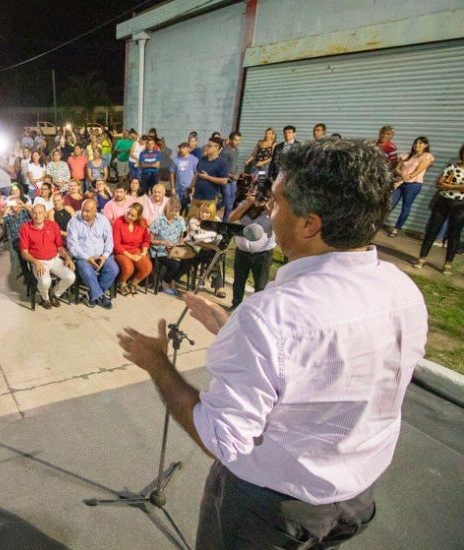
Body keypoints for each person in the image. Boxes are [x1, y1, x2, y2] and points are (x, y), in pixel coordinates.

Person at [118, 138, 427, 549]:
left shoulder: (271, 316)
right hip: (356, 497)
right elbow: (332, 367)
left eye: (278, 203)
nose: (269, 210)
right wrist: (234, 333)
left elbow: (220, 438)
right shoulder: (403, 290)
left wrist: (157, 363)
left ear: (309, 225)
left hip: (272, 510)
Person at [414, 143, 464, 275]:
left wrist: (450, 186)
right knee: (432, 230)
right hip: (443, 201)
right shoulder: (452, 166)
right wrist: (444, 184)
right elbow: (439, 182)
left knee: (454, 234)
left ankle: (448, 263)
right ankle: (421, 258)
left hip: (460, 205)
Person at [19, 204, 76, 309]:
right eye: (35, 213)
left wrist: (67, 257)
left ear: (45, 214)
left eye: (40, 213)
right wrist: (35, 262)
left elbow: (59, 247)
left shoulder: (53, 225)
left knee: (70, 277)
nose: (37, 216)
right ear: (31, 214)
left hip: (54, 259)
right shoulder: (25, 228)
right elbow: (24, 252)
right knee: (46, 282)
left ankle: (54, 294)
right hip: (38, 261)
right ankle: (45, 298)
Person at [66, 199, 118, 309]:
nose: (84, 213)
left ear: (95, 210)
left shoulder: (103, 220)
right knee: (87, 271)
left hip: (101, 255)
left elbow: (109, 241)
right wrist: (87, 257)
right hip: (83, 256)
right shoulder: (74, 221)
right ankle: (100, 296)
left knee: (113, 269)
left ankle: (92, 294)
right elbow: (72, 245)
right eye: (83, 210)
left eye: (87, 211)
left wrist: (104, 257)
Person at [228, 192, 277, 308]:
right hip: (242, 251)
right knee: (239, 281)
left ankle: (257, 309)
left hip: (263, 253)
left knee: (260, 285)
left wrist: (266, 206)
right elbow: (232, 218)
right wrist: (248, 203)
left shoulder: (273, 209)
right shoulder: (244, 205)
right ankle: (235, 305)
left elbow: (278, 223)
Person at [389, 136, 435, 237]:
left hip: (413, 184)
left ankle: (396, 228)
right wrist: (402, 175)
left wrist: (408, 177)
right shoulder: (407, 155)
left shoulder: (427, 156)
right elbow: (397, 168)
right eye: (416, 143)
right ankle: (378, 223)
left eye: (420, 143)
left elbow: (419, 170)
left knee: (406, 207)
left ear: (426, 145)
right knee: (390, 203)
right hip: (399, 182)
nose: (417, 145)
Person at [150, 196, 188, 295]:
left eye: (176, 211)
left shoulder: (179, 221)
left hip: (175, 250)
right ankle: (165, 283)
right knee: (175, 264)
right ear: (167, 208)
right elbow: (150, 240)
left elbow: (181, 238)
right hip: (160, 250)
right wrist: (162, 242)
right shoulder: (159, 220)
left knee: (188, 262)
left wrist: (180, 243)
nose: (174, 213)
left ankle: (172, 280)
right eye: (172, 210)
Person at [112, 202, 152, 295]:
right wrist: (132, 257)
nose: (129, 216)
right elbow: (116, 245)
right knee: (128, 268)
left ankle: (133, 283)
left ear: (138, 217)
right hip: (121, 251)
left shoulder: (142, 222)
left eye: (133, 216)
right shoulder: (118, 222)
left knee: (147, 267)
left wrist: (143, 253)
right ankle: (122, 283)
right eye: (128, 213)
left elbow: (146, 240)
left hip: (136, 249)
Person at [189, 137, 230, 219]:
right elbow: (197, 174)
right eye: (207, 145)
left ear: (217, 148)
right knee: (191, 220)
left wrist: (208, 177)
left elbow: (224, 181)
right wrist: (190, 187)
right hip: (196, 197)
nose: (206, 147)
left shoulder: (221, 163)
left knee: (207, 223)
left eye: (209, 146)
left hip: (209, 200)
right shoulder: (202, 159)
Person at [219, 131, 242, 220]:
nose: (237, 142)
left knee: (231, 201)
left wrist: (236, 174)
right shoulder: (225, 151)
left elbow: (235, 164)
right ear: (231, 140)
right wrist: (230, 175)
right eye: (236, 140)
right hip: (225, 179)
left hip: (233, 180)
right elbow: (220, 167)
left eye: (239, 140)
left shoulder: (236, 150)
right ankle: (213, 208)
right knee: (227, 201)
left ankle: (225, 220)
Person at [171, 142, 198, 215]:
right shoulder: (176, 160)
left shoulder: (194, 159)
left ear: (188, 149)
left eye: (183, 148)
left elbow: (197, 174)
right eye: (180, 148)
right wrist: (173, 187)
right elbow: (172, 173)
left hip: (189, 190)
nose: (181, 149)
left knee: (189, 209)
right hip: (178, 189)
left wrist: (193, 187)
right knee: (178, 209)